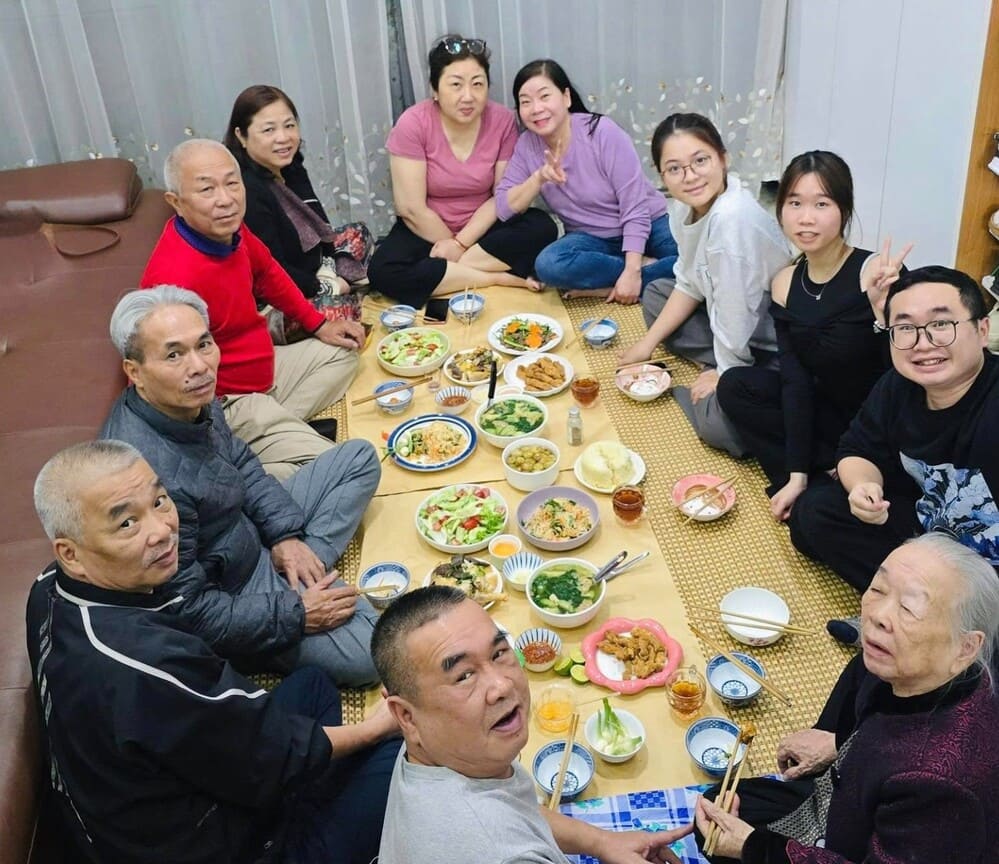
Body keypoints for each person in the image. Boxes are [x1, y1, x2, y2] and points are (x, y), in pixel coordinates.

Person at [26, 440, 401, 864]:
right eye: (127, 523)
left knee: (312, 686)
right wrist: (377, 728)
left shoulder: (47, 587)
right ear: (71, 554)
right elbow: (277, 754)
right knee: (401, 747)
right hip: (228, 847)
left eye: (159, 501)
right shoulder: (148, 665)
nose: (163, 530)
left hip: (179, 791)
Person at [102, 286, 380, 687]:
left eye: (204, 344)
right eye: (174, 354)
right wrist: (296, 614)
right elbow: (190, 611)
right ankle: (288, 609)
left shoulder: (192, 398)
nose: (199, 366)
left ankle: (304, 570)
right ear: (135, 372)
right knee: (373, 651)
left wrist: (284, 536)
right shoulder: (147, 483)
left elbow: (242, 462)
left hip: (248, 534)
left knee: (358, 459)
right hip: (234, 590)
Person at [690, 532, 999, 864]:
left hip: (862, 843)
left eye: (909, 608)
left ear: (966, 647)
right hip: (841, 801)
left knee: (731, 844)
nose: (878, 615)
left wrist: (751, 847)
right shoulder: (891, 664)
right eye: (878, 589)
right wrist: (839, 744)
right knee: (719, 808)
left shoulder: (940, 782)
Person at [372, 586, 693, 864]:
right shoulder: (503, 852)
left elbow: (517, 810)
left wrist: (602, 842)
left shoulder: (429, 742)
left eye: (499, 652)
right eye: (464, 675)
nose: (502, 685)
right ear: (405, 716)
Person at [789, 265, 999, 646]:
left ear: (982, 330)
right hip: (933, 533)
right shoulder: (898, 387)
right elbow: (855, 449)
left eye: (941, 324)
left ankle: (923, 628)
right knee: (813, 515)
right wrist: (863, 486)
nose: (922, 343)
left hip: (989, 570)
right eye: (904, 328)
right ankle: (914, 618)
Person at [142, 137, 365, 479]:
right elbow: (175, 378)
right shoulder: (172, 280)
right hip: (228, 400)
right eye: (206, 190)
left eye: (232, 183)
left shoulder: (230, 230)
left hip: (265, 369)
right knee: (335, 469)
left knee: (344, 352)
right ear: (176, 202)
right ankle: (247, 457)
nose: (226, 199)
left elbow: (268, 273)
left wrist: (319, 324)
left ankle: (267, 435)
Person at [716, 151, 906, 521]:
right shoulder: (785, 282)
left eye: (821, 203)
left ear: (845, 210)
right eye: (795, 203)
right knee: (734, 386)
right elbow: (796, 381)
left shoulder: (875, 273)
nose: (806, 218)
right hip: (826, 413)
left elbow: (903, 379)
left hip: (877, 424)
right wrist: (797, 474)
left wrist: (882, 314)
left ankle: (843, 473)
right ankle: (814, 474)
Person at [618, 113, 790, 456]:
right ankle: (717, 368)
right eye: (675, 168)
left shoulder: (731, 222)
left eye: (700, 161)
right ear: (662, 175)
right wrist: (646, 345)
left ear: (723, 158)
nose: (690, 176)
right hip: (727, 318)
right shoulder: (682, 211)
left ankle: (723, 377)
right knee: (656, 295)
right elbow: (690, 282)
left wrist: (724, 375)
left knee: (720, 428)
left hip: (771, 338)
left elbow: (738, 310)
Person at [367, 34, 557, 306]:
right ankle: (496, 277)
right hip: (426, 229)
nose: (468, 96)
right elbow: (411, 208)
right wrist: (449, 242)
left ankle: (455, 274)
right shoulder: (413, 123)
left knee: (543, 227)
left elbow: (502, 196)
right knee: (382, 271)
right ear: (435, 89)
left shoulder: (502, 120)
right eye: (456, 85)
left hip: (483, 230)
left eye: (477, 84)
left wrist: (460, 246)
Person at [495, 58, 678, 304]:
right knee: (549, 265)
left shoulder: (602, 132)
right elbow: (504, 208)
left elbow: (635, 207)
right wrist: (538, 178)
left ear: (566, 97)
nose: (536, 108)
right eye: (525, 102)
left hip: (649, 223)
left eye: (544, 96)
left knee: (697, 262)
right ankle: (640, 275)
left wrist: (633, 271)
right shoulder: (527, 146)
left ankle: (618, 282)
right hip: (592, 238)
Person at [223, 84, 373, 302]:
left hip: (314, 266)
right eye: (268, 130)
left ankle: (342, 284)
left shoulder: (290, 165)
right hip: (280, 290)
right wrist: (322, 286)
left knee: (358, 233)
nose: (283, 138)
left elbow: (321, 224)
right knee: (344, 313)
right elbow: (271, 270)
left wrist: (328, 268)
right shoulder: (247, 190)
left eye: (289, 125)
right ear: (241, 136)